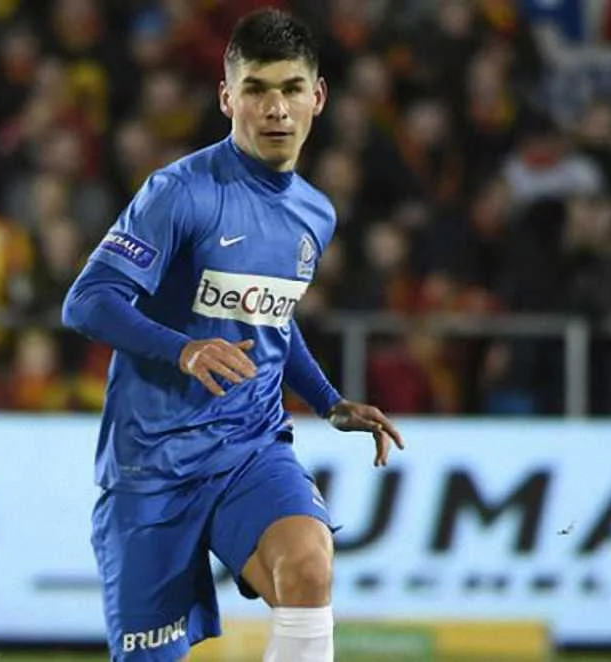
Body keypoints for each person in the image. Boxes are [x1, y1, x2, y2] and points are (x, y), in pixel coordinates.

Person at [61, 9, 404, 662]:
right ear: (227, 98)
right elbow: (88, 302)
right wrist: (184, 350)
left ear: (317, 97)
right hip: (154, 464)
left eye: (291, 89)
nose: (275, 108)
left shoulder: (315, 213)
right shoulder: (179, 193)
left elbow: (269, 318)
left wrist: (328, 399)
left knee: (308, 565)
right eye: (256, 90)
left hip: (250, 447)